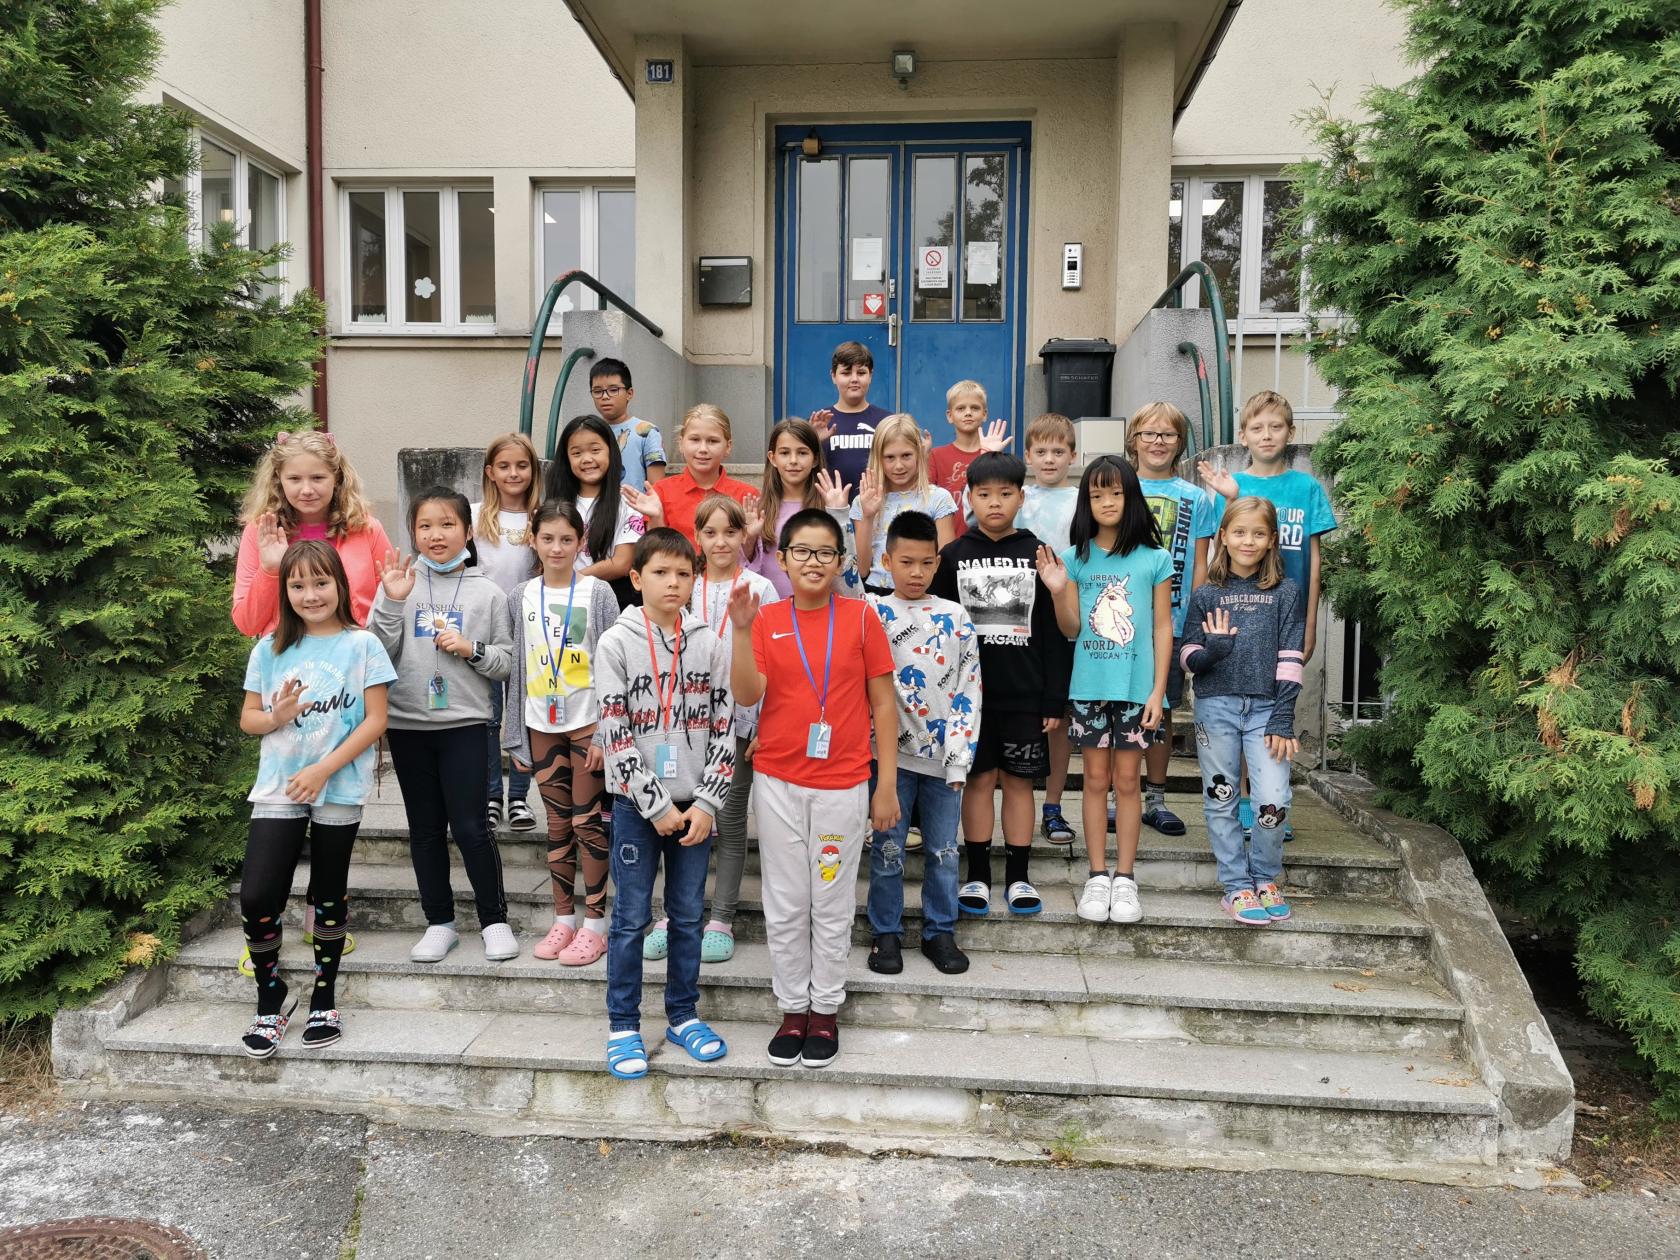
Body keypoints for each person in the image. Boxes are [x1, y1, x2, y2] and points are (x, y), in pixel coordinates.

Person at [727, 508, 899, 1069]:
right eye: (802, 551)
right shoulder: (766, 618)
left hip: (843, 784)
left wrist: (886, 784)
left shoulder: (862, 617)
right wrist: (741, 630)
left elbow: (883, 705)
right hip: (777, 781)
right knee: (784, 902)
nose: (814, 562)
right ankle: (791, 1008)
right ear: (782, 558)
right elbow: (747, 695)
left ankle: (824, 1009)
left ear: (841, 560)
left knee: (830, 899)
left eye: (826, 552)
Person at [236, 541, 393, 1057]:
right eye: (298, 585)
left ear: (339, 585)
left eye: (320, 582)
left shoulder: (363, 645)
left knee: (328, 893)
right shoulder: (269, 649)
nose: (310, 594)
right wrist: (276, 717)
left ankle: (324, 998)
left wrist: (324, 769)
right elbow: (249, 719)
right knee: (258, 895)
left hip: (338, 786)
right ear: (285, 591)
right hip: (280, 785)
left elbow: (376, 720)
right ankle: (271, 997)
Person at [597, 529, 737, 1079]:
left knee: (688, 916)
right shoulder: (616, 643)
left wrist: (708, 803)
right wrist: (655, 804)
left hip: (695, 810)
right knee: (631, 919)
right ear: (636, 578)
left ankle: (682, 1015)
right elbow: (615, 731)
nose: (672, 583)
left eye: (683, 573)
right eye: (660, 572)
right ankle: (623, 1025)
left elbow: (726, 727)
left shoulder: (710, 644)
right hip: (637, 809)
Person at [369, 487, 517, 964]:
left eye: (448, 524)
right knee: (425, 829)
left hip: (465, 725)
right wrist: (393, 603)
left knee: (472, 827)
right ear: (413, 533)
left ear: (468, 531)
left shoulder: (488, 593)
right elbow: (376, 653)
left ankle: (494, 920)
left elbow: (506, 663)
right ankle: (440, 922)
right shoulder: (398, 584)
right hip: (408, 725)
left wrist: (472, 649)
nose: (437, 535)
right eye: (425, 526)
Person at [928, 452, 1071, 919]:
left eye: (1005, 494)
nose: (995, 503)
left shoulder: (1039, 553)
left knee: (1018, 783)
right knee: (977, 781)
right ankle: (976, 875)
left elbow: (1054, 632)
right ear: (968, 498)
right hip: (968, 698)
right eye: (985, 494)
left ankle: (1019, 876)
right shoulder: (952, 556)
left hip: (1025, 694)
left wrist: (1053, 697)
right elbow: (939, 630)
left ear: (1021, 497)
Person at [1036, 456, 1172, 927]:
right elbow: (1071, 628)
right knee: (1095, 780)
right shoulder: (1075, 558)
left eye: (1116, 493)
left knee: (1128, 782)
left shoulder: (1155, 558)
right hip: (1089, 687)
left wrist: (1158, 692)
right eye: (1097, 495)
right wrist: (1058, 590)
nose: (1107, 502)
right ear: (1086, 502)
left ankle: (1125, 878)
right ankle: (1097, 876)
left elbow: (1161, 627)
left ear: (1131, 498)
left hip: (1137, 691)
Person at [644, 494, 780, 965]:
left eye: (730, 531)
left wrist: (765, 724)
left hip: (740, 722)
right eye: (710, 532)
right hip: (686, 724)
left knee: (729, 818)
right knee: (681, 813)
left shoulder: (761, 587)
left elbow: (776, 662)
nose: (721, 541)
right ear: (696, 537)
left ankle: (721, 917)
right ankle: (674, 914)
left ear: (744, 535)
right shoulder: (685, 584)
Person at [1194, 389, 1336, 839]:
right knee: (1236, 709)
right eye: (1257, 427)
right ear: (1244, 435)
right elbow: (1221, 547)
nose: (1267, 435)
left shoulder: (1306, 488)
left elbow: (1314, 560)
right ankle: (1242, 803)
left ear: (1290, 433)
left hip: (1286, 616)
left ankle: (1269, 804)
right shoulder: (1233, 486)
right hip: (1240, 614)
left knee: (1275, 706)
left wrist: (1310, 623)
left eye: (1276, 427)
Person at [855, 511, 981, 976]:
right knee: (887, 850)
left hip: (943, 762)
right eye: (905, 562)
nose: (916, 573)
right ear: (887, 561)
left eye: (926, 563)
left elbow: (969, 688)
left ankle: (939, 931)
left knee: (944, 852)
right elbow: (844, 578)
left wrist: (959, 757)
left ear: (937, 563)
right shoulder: (871, 611)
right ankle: (885, 932)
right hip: (887, 760)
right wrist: (852, 516)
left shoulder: (956, 616)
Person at [503, 501, 623, 965]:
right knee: (555, 825)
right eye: (548, 538)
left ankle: (595, 924)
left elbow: (614, 665)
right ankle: (563, 919)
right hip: (540, 723)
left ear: (581, 542)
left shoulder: (598, 593)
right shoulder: (521, 595)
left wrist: (608, 734)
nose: (557, 548)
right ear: (533, 540)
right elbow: (517, 667)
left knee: (585, 821)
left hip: (589, 723)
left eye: (566, 539)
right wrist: (515, 736)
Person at [1179, 497, 1303, 924]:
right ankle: (1236, 886)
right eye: (1239, 532)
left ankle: (1265, 877)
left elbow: (1291, 658)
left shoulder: (1286, 593)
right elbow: (1188, 655)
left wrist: (1284, 716)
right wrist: (1212, 651)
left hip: (1267, 710)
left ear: (1271, 540)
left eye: (1258, 533)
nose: (1248, 541)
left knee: (1273, 799)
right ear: (1223, 538)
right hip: (1216, 706)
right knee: (1222, 797)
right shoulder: (1206, 594)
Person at [1126, 402, 1220, 839]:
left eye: (1167, 435)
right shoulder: (1121, 487)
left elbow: (1201, 563)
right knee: (1121, 709)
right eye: (1149, 433)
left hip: (1176, 620)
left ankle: (1156, 799)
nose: (1158, 442)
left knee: (1161, 709)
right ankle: (1121, 794)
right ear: (1134, 440)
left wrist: (1195, 616)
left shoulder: (1196, 498)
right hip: (1123, 622)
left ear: (1180, 443)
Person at [233, 430, 389, 637]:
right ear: (279, 479)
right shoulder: (262, 532)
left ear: (337, 477)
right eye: (294, 479)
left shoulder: (366, 529)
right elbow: (247, 625)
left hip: (354, 652)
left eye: (317, 478)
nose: (306, 490)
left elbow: (390, 604)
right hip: (285, 653)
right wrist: (270, 571)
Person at [1016, 412, 1081, 847]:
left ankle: (1053, 805)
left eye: (1059, 451)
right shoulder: (1018, 496)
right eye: (1041, 451)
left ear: (1073, 456)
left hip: (1064, 608)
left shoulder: (1080, 499)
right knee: (1023, 712)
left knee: (1059, 716)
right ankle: (1016, 799)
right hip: (1019, 611)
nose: (1050, 459)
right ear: (1028, 456)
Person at [471, 433, 541, 834]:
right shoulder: (475, 516)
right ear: (490, 472)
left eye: (521, 465)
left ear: (533, 470)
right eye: (504, 466)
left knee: (523, 716)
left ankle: (519, 797)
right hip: (485, 630)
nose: (513, 473)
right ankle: (490, 796)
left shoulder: (540, 516)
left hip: (529, 630)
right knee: (488, 718)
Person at [850, 414, 958, 595]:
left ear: (919, 453)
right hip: (877, 594)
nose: (898, 465)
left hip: (925, 594)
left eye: (906, 455)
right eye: (889, 457)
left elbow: (945, 563)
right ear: (878, 458)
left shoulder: (938, 498)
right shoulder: (864, 500)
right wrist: (868, 517)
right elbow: (861, 569)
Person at [743, 417, 847, 599]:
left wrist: (839, 515)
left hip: (820, 608)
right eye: (784, 453)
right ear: (772, 458)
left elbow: (847, 568)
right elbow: (744, 571)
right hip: (770, 609)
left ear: (815, 459)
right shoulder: (759, 510)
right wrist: (749, 538)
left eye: (802, 453)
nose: (793, 460)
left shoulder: (829, 506)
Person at [624, 403, 757, 544]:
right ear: (681, 443)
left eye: (712, 441)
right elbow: (654, 551)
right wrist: (656, 518)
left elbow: (752, 553)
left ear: (728, 446)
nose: (703, 449)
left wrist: (750, 536)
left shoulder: (747, 497)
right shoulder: (661, 492)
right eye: (695, 440)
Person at [544, 414, 645, 600]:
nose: (587, 459)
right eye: (577, 453)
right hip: (559, 596)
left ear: (611, 452)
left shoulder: (627, 502)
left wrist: (571, 579)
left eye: (595, 450)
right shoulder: (554, 503)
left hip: (612, 598)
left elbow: (622, 563)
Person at [806, 341, 894, 495]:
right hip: (830, 506)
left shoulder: (887, 421)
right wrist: (812, 442)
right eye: (846, 373)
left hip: (877, 504)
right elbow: (802, 469)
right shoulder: (820, 421)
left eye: (861, 373)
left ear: (870, 375)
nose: (854, 379)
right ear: (833, 376)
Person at [927, 380, 1010, 539]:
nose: (968, 413)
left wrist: (990, 457)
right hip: (948, 542)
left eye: (975, 408)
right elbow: (926, 503)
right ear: (950, 416)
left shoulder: (994, 455)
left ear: (985, 414)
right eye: (961, 408)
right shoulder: (936, 456)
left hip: (986, 542)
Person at [588, 357, 667, 491]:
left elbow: (657, 489)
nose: (605, 396)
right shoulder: (588, 432)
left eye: (613, 390)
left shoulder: (647, 431)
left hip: (636, 503)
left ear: (629, 393)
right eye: (597, 391)